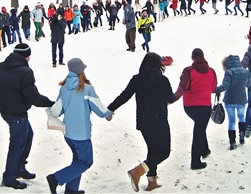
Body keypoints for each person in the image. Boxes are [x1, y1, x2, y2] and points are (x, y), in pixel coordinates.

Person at [0, 43, 54, 189]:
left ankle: (20, 167)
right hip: (17, 115)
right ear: (26, 56)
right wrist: (51, 103)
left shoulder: (2, 66)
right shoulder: (25, 72)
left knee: (28, 136)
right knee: (17, 145)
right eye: (28, 56)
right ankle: (9, 177)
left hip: (7, 111)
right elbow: (33, 97)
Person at [108, 53, 176, 192]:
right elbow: (170, 98)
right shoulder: (162, 80)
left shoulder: (137, 79)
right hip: (159, 120)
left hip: (144, 122)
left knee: (153, 151)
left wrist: (110, 109)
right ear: (159, 64)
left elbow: (124, 96)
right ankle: (137, 171)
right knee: (163, 153)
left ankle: (152, 182)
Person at [46, 58, 112, 194]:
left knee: (77, 160)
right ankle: (55, 178)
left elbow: (56, 111)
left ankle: (71, 190)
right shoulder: (87, 89)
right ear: (82, 71)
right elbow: (100, 110)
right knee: (86, 162)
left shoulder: (64, 88)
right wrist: (108, 114)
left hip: (68, 133)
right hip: (81, 135)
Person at [174, 48, 217, 170]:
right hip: (205, 106)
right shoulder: (211, 71)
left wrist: (173, 98)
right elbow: (213, 88)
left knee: (199, 127)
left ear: (193, 58)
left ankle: (204, 150)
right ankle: (195, 162)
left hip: (190, 106)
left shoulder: (188, 71)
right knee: (199, 129)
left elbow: (182, 87)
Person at [215, 55, 251, 150]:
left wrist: (214, 90)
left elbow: (225, 86)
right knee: (241, 117)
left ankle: (232, 142)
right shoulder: (246, 72)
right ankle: (242, 135)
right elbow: (249, 84)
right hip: (242, 99)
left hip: (230, 99)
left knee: (232, 121)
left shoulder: (229, 72)